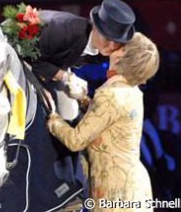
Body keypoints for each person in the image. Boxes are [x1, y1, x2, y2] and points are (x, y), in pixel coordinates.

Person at [47, 32, 160, 212]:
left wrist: (53, 117)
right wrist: (84, 99)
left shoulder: (110, 94)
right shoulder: (130, 90)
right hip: (133, 186)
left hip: (114, 191)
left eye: (120, 45)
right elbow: (107, 118)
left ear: (121, 54)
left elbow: (76, 141)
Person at [28, 0, 136, 120]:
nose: (111, 46)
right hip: (26, 54)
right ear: (95, 27)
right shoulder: (64, 30)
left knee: (70, 111)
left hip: (55, 62)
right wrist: (66, 77)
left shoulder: (108, 51)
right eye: (107, 38)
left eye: (116, 42)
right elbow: (36, 62)